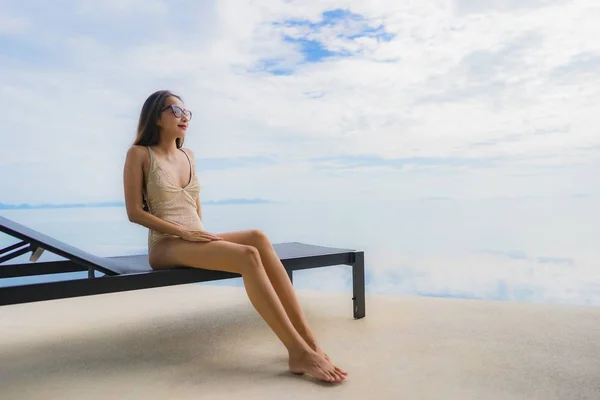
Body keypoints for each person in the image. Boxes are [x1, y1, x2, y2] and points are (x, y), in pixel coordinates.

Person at [122, 90, 348, 383]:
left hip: (194, 237)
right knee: (248, 256)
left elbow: (194, 206)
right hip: (165, 244)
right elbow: (134, 212)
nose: (184, 117)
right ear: (157, 116)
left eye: (187, 112)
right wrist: (183, 233)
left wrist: (203, 237)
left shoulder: (188, 155)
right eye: (175, 111)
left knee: (256, 237)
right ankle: (297, 351)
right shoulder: (139, 154)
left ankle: (310, 342)